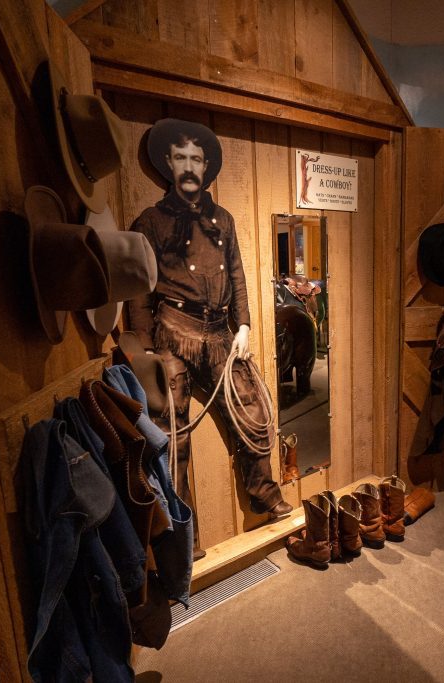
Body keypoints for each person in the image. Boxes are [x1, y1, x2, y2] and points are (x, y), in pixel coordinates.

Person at [128, 119, 292, 521]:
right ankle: (181, 527)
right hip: (173, 331)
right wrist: (146, 348)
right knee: (171, 432)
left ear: (205, 167)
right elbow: (139, 289)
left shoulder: (224, 219)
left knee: (252, 410)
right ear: (168, 162)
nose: (188, 166)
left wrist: (245, 327)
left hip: (220, 331)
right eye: (181, 157)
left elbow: (236, 275)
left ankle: (264, 495)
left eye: (196, 159)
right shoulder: (150, 221)